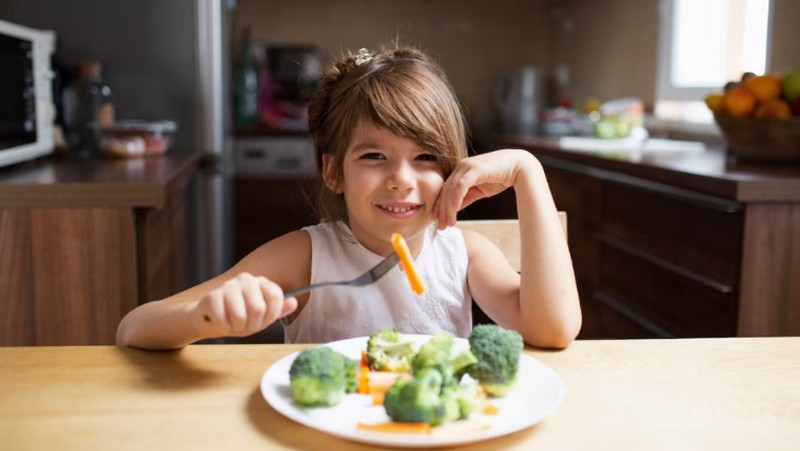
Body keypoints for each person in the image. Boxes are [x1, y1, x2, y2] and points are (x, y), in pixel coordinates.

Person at [116, 45, 581, 350]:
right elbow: (134, 328)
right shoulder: (306, 256)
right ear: (333, 171)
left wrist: (528, 172)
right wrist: (204, 317)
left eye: (424, 158)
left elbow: (553, 330)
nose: (401, 180)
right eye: (375, 156)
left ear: (452, 170)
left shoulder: (465, 253)